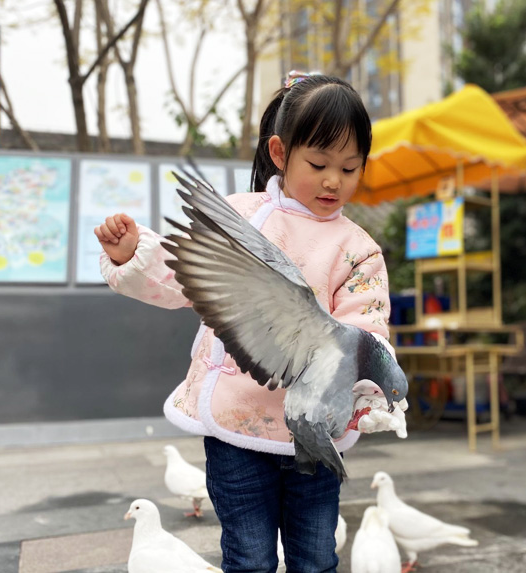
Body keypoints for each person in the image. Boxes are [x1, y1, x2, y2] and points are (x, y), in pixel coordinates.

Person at [94, 72, 402, 573]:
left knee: (315, 557)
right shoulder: (242, 216)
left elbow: (367, 332)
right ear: (280, 154)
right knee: (250, 558)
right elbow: (183, 281)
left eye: (349, 168)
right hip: (237, 426)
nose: (333, 180)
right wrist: (133, 255)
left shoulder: (358, 249)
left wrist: (367, 397)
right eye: (319, 163)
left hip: (315, 431)